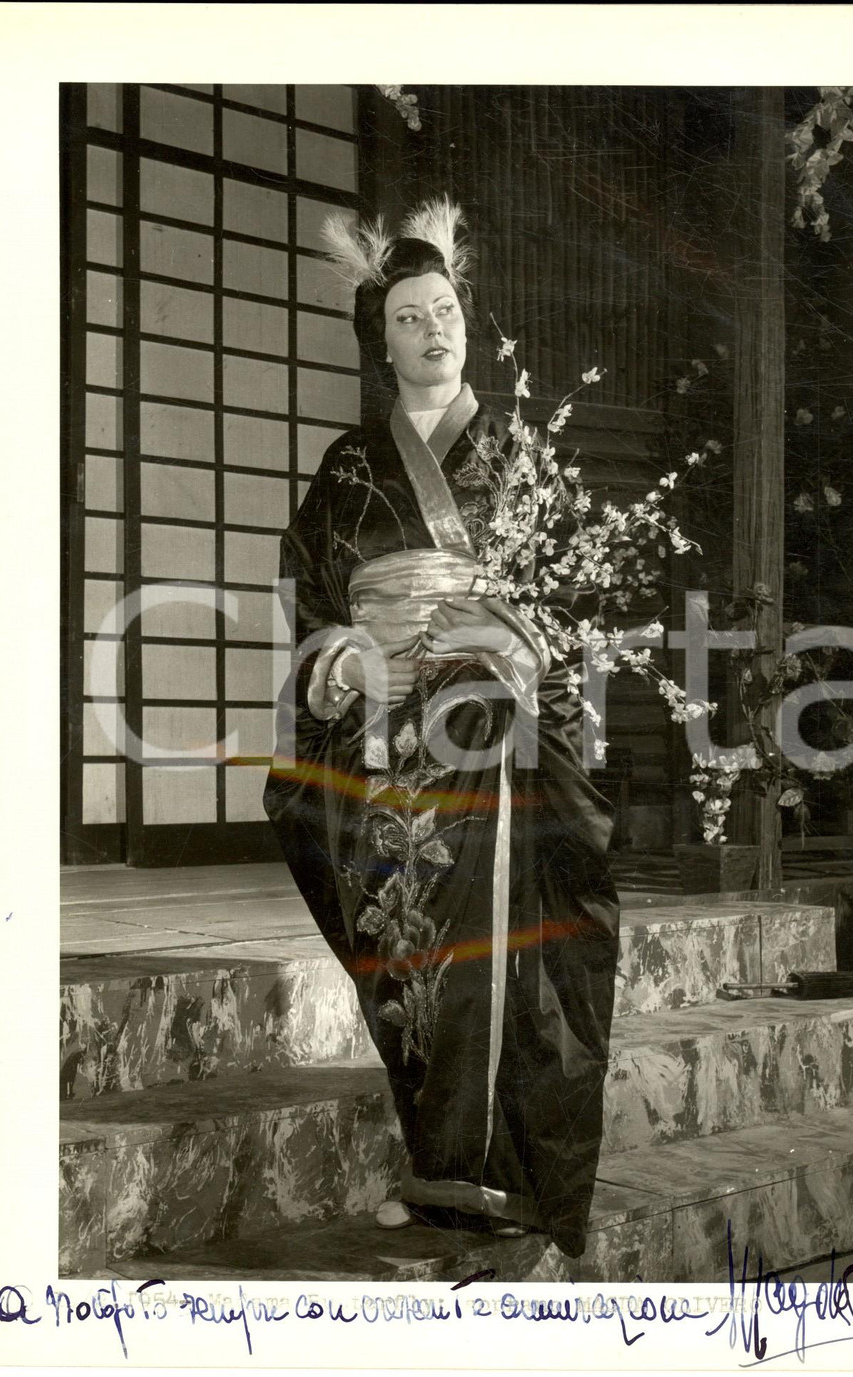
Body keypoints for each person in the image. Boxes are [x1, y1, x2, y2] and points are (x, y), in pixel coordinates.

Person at [263, 197, 621, 1260]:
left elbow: (573, 601)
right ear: (382, 345)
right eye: (410, 317)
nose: (434, 328)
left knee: (498, 888)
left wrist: (516, 639)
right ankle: (440, 1166)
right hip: (376, 713)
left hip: (494, 709)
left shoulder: (522, 454)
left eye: (446, 307)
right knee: (409, 937)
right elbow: (313, 595)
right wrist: (335, 652)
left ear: (467, 316)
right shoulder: (347, 466)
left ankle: (506, 1175)